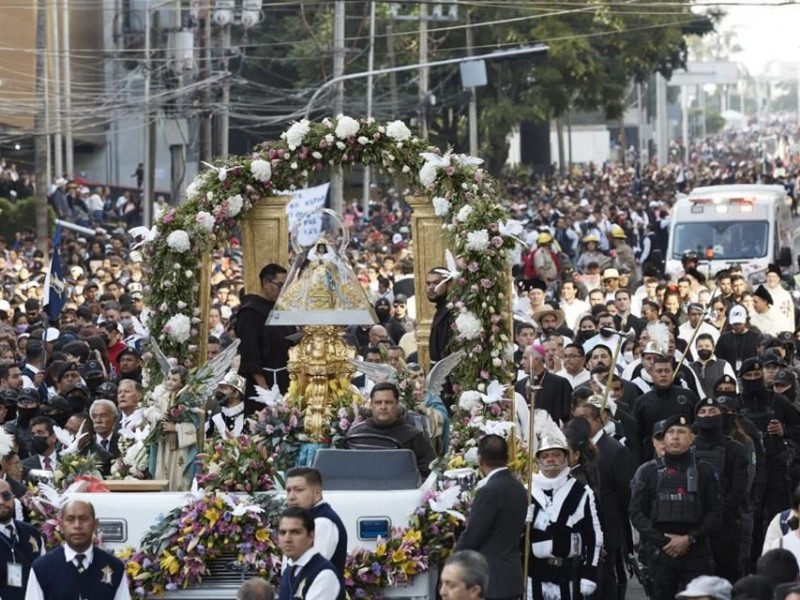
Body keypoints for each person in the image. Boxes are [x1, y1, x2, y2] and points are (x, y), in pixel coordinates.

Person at [629, 414, 723, 600]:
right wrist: (663, 541)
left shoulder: (705, 471)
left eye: (681, 432)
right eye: (670, 432)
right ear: (663, 439)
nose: (675, 436)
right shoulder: (648, 471)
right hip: (660, 553)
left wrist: (690, 538)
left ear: (692, 438)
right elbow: (637, 512)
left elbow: (716, 511)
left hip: (696, 551)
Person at [572, 398, 636, 600]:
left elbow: (626, 495)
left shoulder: (615, 450)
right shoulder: (575, 450)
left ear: (600, 420)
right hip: (580, 533)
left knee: (606, 585)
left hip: (608, 531)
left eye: (585, 419)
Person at [526, 435, 603, 600]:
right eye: (545, 456)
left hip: (568, 573)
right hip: (534, 574)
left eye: (556, 454)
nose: (551, 460)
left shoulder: (582, 491)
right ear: (538, 460)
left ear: (566, 457)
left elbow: (594, 535)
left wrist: (590, 572)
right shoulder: (526, 492)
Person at [455, 434, 527, 600]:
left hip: (491, 581)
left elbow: (474, 535)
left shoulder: (489, 491)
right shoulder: (518, 488)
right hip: (511, 578)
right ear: (507, 457)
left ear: (480, 460)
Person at [693, 397, 751, 583]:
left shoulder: (735, 449)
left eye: (712, 412)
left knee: (727, 574)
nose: (707, 416)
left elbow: (739, 488)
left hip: (726, 523)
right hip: (695, 521)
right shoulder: (690, 449)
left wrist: (717, 512)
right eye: (703, 412)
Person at [26, 499, 130, 599]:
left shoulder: (115, 567)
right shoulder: (42, 568)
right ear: (61, 525)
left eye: (83, 519)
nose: (77, 526)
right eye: (70, 519)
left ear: (95, 524)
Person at [346, 382, 436, 477]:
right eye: (378, 402)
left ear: (397, 405)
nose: (383, 407)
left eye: (388, 402)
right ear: (371, 405)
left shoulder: (414, 437)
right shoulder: (354, 435)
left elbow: (429, 471)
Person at [236, 264, 296, 397]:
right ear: (266, 282)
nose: (284, 290)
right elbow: (249, 352)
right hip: (265, 384)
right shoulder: (250, 312)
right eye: (280, 285)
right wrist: (264, 388)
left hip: (285, 378)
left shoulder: (280, 309)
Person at [284, 467, 347, 577]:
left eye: (298, 490)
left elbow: (309, 570)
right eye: (288, 490)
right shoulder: (305, 519)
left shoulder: (322, 522)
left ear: (317, 493)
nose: (291, 497)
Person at [277, 507, 342, 600]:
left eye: (295, 532)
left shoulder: (323, 573)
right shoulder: (289, 571)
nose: (287, 539)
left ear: (311, 536)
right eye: (283, 532)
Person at [0, 479, 42, 600]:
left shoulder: (33, 533)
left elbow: (44, 573)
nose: (1, 501)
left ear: (14, 499)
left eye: (6, 496)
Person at [426, 267, 454, 367]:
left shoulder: (452, 313)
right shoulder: (441, 311)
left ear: (449, 285)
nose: (431, 287)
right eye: (428, 283)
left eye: (436, 283)